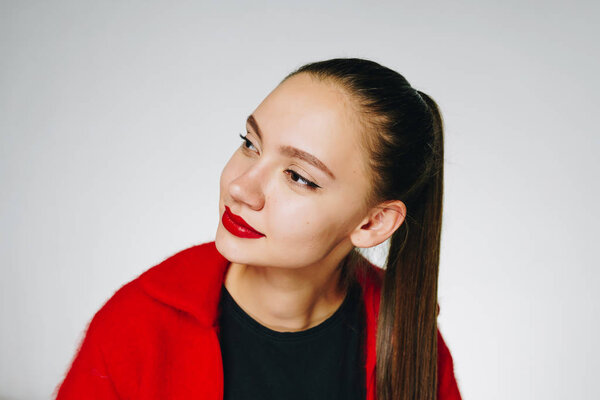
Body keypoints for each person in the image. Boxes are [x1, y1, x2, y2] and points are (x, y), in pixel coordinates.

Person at [54, 58, 462, 400]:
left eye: (299, 177)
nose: (240, 187)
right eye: (250, 143)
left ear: (373, 222)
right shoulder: (136, 326)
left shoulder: (410, 341)